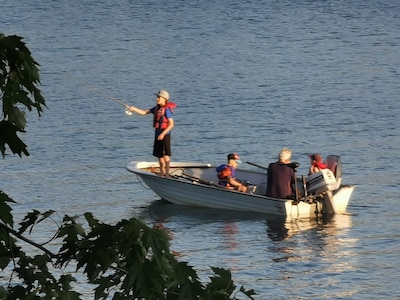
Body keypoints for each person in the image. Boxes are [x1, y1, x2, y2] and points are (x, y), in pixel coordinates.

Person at [126, 90, 176, 177]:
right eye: (157, 97)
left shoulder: (167, 110)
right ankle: (162, 172)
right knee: (159, 155)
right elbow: (144, 112)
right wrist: (133, 109)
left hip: (165, 135)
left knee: (166, 155)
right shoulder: (156, 108)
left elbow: (171, 124)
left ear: (164, 99)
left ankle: (167, 174)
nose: (157, 99)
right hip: (157, 134)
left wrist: (163, 134)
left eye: (159, 97)